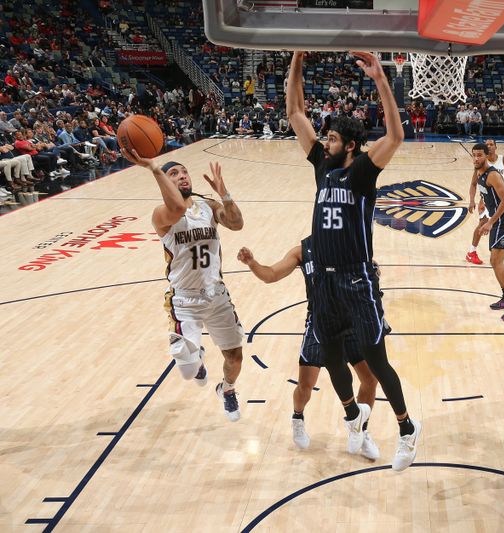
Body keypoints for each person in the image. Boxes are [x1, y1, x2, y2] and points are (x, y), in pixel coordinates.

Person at [286, 50, 421, 471]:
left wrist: (381, 79)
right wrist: (296, 59)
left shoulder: (361, 172)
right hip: (323, 282)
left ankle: (407, 430)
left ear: (351, 147)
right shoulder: (322, 169)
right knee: (328, 356)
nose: (324, 143)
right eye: (324, 139)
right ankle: (353, 419)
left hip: (356, 278)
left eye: (332, 140)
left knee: (375, 359)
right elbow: (294, 111)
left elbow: (396, 135)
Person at [121, 148, 246, 422]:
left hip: (216, 296)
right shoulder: (161, 215)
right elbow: (177, 206)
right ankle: (197, 360)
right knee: (189, 372)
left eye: (184, 172)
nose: (182, 176)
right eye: (173, 174)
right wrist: (154, 168)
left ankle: (226, 389)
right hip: (184, 300)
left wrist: (224, 194)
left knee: (235, 359)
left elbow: (237, 224)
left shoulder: (208, 207)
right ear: (166, 183)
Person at [237, 239, 381, 458]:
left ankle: (360, 429)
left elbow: (370, 271)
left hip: (351, 321)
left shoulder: (351, 244)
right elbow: (272, 274)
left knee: (370, 379)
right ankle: (297, 417)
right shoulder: (303, 252)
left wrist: (372, 272)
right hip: (320, 323)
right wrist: (252, 263)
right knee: (305, 386)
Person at [469, 142, 504, 320]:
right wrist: (477, 201)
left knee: (497, 261)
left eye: (479, 155)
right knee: (494, 261)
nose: (476, 158)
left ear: (487, 155)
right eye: (474, 155)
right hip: (495, 220)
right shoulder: (478, 172)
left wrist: (490, 222)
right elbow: (481, 191)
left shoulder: (493, 174)